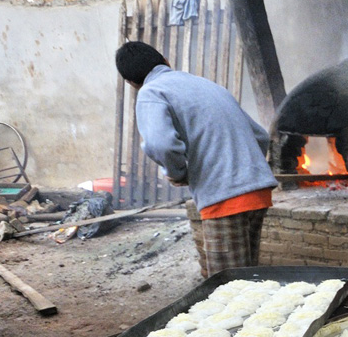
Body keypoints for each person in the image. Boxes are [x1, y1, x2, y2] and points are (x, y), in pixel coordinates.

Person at [115, 40, 277, 277]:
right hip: (258, 191)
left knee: (227, 286)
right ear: (166, 62)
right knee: (248, 278)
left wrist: (179, 173)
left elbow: (161, 144)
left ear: (131, 83)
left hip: (224, 197)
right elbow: (260, 136)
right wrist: (245, 169)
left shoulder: (152, 92)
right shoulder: (206, 85)